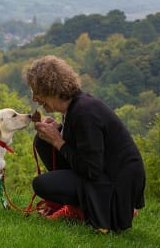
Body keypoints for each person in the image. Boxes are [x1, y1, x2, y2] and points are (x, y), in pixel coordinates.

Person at [24, 55, 145, 232]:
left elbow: (92, 169)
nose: (35, 98)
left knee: (42, 184)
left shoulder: (84, 112)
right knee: (42, 141)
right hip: (105, 174)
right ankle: (81, 205)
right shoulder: (77, 107)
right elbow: (84, 146)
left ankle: (100, 211)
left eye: (37, 92)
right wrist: (59, 130)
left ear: (52, 90)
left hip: (116, 184)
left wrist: (58, 141)